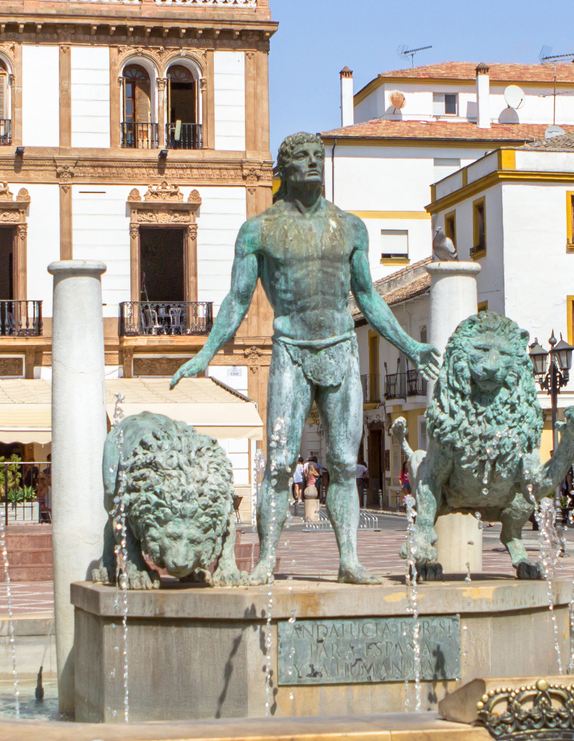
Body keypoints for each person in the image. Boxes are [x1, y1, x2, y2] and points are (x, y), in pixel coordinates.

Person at [171, 131, 438, 583]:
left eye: (318, 156)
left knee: (341, 463)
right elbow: (237, 300)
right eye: (302, 157)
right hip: (290, 350)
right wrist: (206, 353)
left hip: (340, 349)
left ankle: (349, 560)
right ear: (285, 169)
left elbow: (369, 298)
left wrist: (411, 346)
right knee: (277, 462)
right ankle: (266, 560)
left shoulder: (351, 227)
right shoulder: (259, 230)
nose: (313, 163)